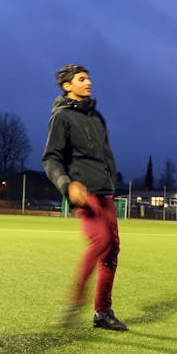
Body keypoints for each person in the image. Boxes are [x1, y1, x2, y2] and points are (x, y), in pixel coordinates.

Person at [42, 65, 127, 331]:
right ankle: (76, 296)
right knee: (100, 240)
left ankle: (102, 313)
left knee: (112, 250)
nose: (88, 82)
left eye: (88, 77)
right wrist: (67, 185)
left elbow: (106, 153)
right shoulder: (62, 118)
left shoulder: (97, 117)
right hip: (83, 192)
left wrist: (110, 178)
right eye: (81, 79)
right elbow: (51, 158)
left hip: (105, 191)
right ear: (67, 86)